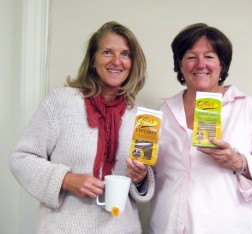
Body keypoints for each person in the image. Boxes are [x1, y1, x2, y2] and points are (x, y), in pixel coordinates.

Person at [10, 21, 154, 234]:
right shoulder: (60, 102)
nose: (117, 61)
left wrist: (140, 177)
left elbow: (143, 179)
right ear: (93, 61)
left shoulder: (144, 117)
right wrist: (66, 179)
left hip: (123, 229)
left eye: (125, 54)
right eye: (107, 52)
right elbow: (21, 159)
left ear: (133, 63)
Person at [149, 23, 252, 234]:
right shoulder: (163, 112)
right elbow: (155, 172)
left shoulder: (251, 109)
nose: (200, 64)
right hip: (166, 226)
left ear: (222, 65)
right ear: (180, 64)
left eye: (209, 56)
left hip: (228, 227)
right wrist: (140, 173)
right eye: (190, 57)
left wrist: (239, 162)